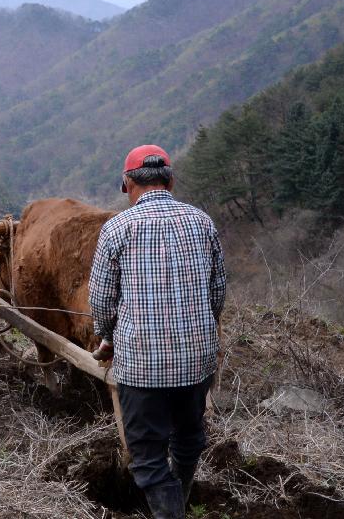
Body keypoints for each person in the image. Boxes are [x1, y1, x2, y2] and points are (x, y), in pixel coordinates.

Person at [88, 144, 226, 519]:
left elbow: (101, 299)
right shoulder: (202, 222)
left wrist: (106, 336)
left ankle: (170, 514)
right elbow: (217, 294)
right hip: (197, 361)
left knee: (147, 455)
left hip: (142, 364)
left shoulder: (116, 229)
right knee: (188, 439)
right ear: (170, 180)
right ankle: (178, 504)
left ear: (128, 184)